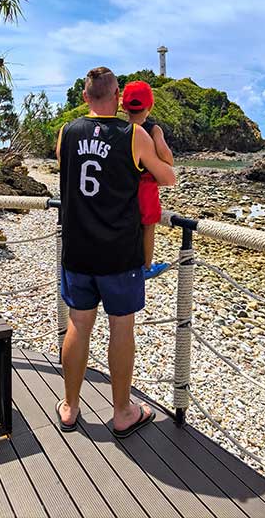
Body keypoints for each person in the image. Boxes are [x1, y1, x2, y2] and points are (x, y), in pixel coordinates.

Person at [54, 66, 176, 438]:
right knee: (121, 328)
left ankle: (70, 406)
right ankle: (122, 411)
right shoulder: (133, 134)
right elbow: (168, 176)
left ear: (86, 96)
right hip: (119, 252)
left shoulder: (67, 132)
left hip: (78, 248)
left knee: (78, 325)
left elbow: (65, 165)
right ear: (118, 95)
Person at [122, 80, 173, 278]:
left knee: (128, 224)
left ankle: (126, 260)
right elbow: (167, 157)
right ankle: (146, 266)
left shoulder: (120, 129)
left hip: (125, 185)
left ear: (124, 107)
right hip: (146, 186)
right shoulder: (153, 130)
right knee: (149, 226)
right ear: (150, 106)